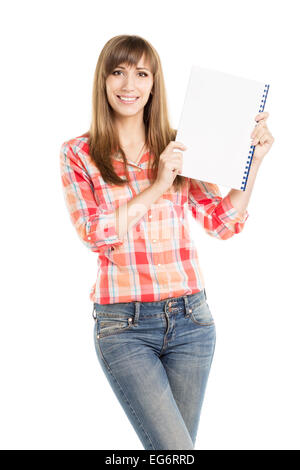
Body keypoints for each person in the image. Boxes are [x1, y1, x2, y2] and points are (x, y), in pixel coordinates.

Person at [59, 35, 274, 450]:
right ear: (103, 81)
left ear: (154, 84)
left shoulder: (178, 144)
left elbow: (222, 223)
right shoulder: (79, 153)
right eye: (118, 72)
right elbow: (94, 232)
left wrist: (253, 163)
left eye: (141, 73)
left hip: (192, 321)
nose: (129, 84)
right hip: (124, 326)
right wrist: (158, 186)